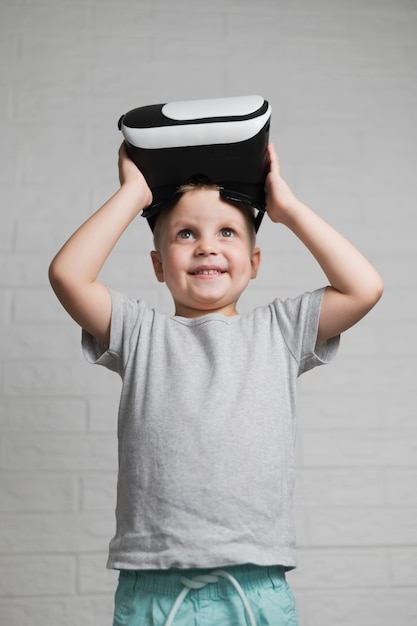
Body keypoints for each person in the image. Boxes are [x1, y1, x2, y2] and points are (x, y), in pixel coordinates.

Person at [49, 141, 383, 626]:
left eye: (227, 232)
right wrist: (133, 194)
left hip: (255, 587)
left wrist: (286, 209)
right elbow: (68, 275)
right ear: (159, 266)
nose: (206, 245)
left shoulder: (281, 331)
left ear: (254, 262)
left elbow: (363, 287)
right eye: (186, 234)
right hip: (154, 589)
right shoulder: (139, 332)